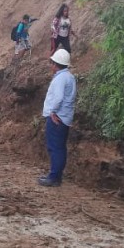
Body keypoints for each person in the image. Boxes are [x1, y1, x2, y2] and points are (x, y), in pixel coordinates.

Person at [39, 48, 76, 187]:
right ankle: (56, 176)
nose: (51, 65)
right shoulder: (69, 77)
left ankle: (54, 178)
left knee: (55, 147)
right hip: (64, 117)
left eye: (52, 62)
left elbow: (59, 97)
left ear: (55, 64)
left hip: (57, 118)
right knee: (59, 147)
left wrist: (52, 112)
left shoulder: (61, 78)